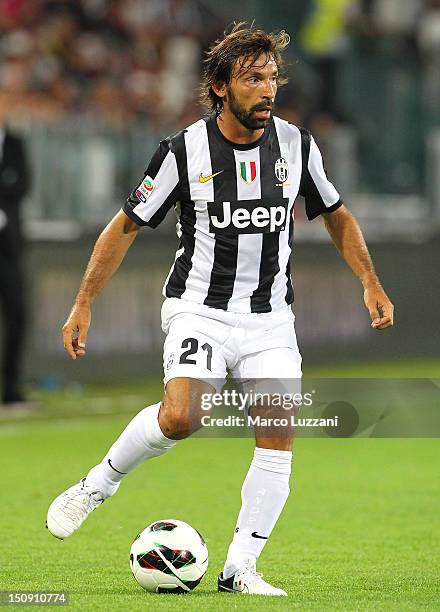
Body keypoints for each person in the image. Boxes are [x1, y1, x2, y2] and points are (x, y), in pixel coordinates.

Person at [47, 23, 394, 596]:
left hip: (270, 319)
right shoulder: (184, 151)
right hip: (199, 309)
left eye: (272, 78)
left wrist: (370, 281)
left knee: (278, 434)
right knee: (182, 417)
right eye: (252, 78)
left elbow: (335, 213)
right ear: (219, 87)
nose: (267, 89)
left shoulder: (296, 144)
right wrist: (83, 300)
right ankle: (96, 486)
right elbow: (127, 224)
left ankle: (240, 569)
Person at [0, 116, 30, 406]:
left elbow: (22, 183)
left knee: (17, 314)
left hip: (8, 247)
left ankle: (11, 389)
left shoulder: (15, 143)